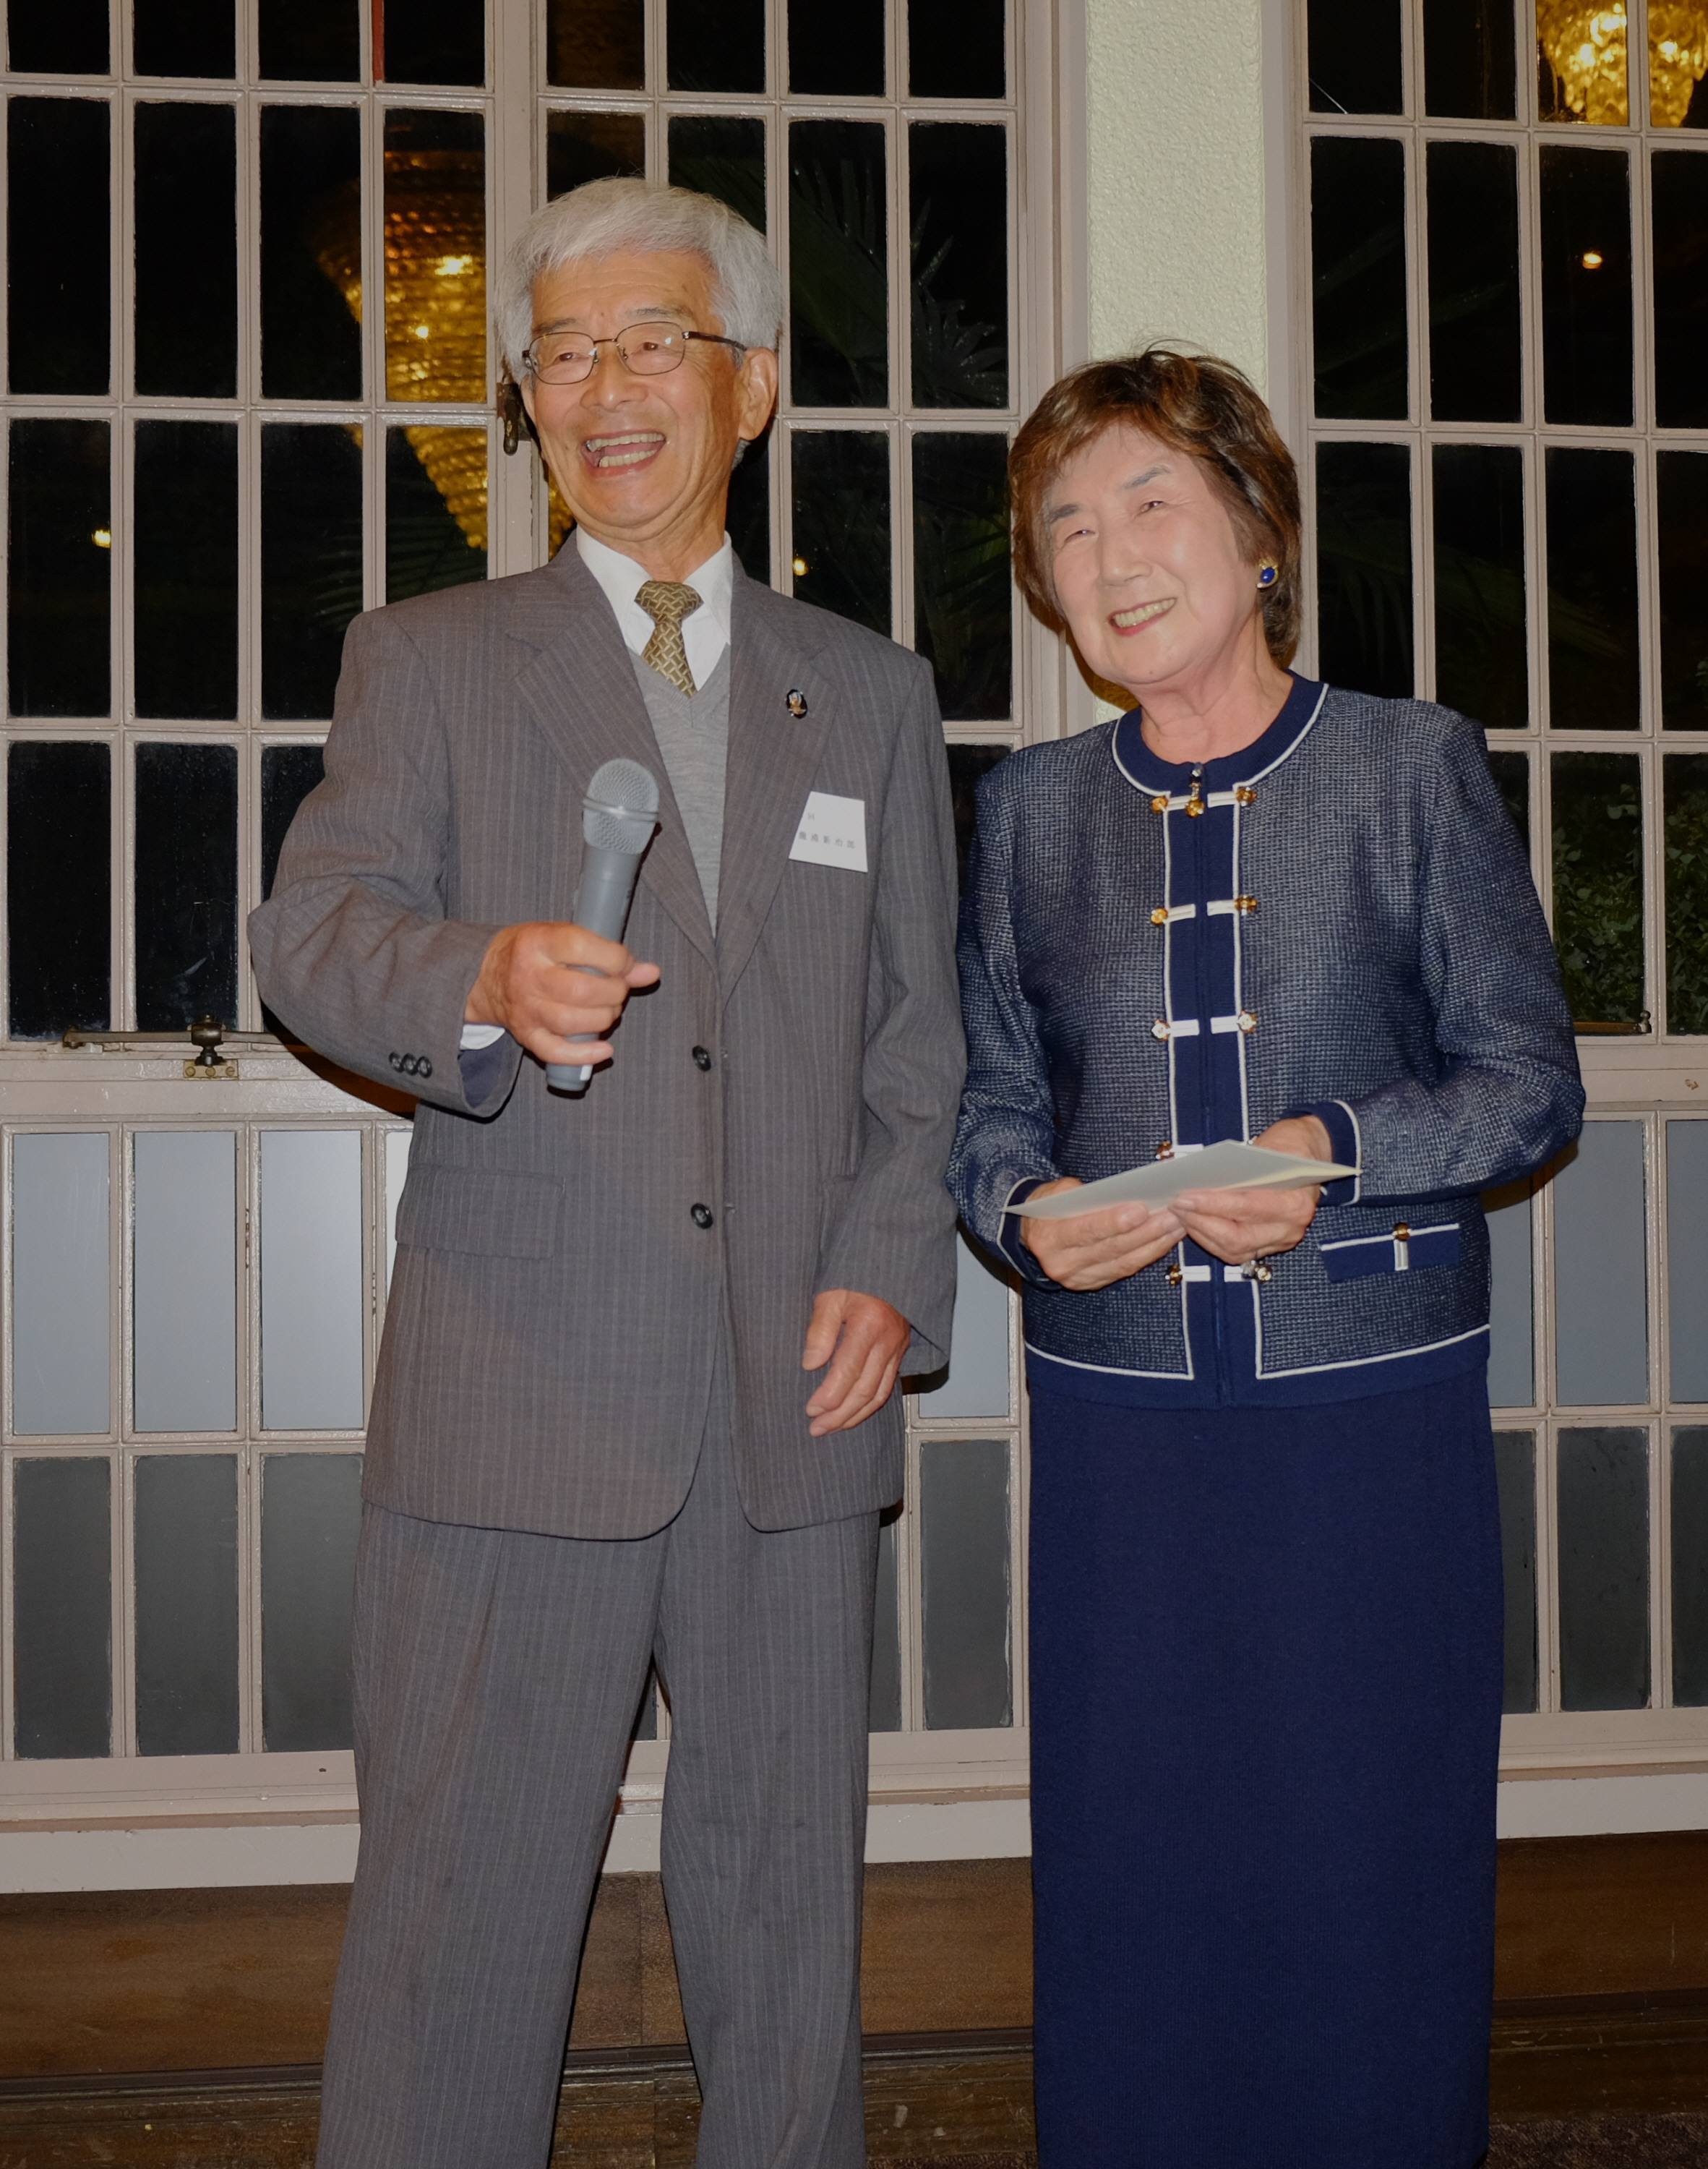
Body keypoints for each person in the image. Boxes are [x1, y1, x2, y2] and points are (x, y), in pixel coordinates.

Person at [249, 177, 964, 2169]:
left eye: (652, 341)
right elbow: (312, 934)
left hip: (793, 1395)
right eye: (561, 355)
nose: (603, 388)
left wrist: (890, 1262)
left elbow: (922, 1036)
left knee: (786, 1916)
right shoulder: (432, 658)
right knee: (455, 1925)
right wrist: (477, 975)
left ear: (750, 387)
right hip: (515, 1393)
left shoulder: (871, 693)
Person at [948, 348, 1584, 2169]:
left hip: (1364, 1418)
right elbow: (994, 1103)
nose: (1110, 556)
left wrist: (1333, 1153)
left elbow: (1527, 1082)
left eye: (1150, 501)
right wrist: (1025, 1214)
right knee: (1133, 1851)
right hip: (1122, 1428)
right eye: (1069, 528)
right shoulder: (1028, 810)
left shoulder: (1407, 765)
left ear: (1257, 529)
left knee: (1370, 1847)